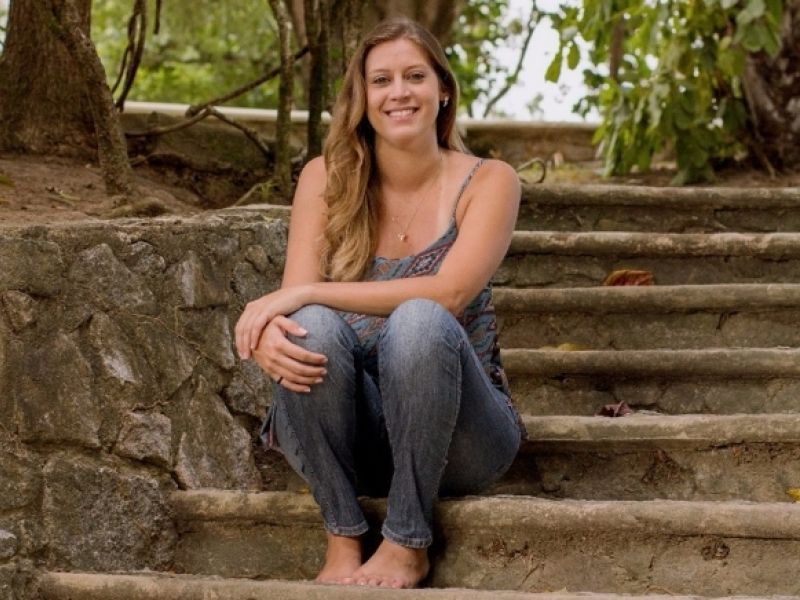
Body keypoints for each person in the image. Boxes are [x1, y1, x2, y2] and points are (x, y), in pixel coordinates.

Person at [234, 16, 525, 589]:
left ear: (443, 90)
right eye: (381, 80)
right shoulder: (324, 179)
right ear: (362, 98)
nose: (399, 93)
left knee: (419, 319)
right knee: (309, 327)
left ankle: (407, 541)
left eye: (415, 76)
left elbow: (450, 292)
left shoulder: (490, 180)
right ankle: (343, 536)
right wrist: (270, 334)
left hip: (462, 439)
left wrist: (308, 291)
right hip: (356, 436)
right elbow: (293, 317)